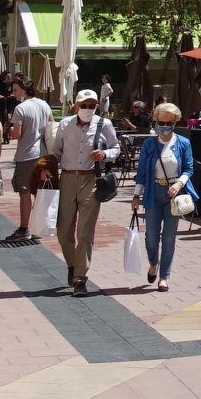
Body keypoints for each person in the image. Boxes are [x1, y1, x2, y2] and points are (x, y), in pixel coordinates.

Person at [53, 88, 124, 295]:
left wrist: (104, 154)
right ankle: (72, 265)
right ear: (76, 106)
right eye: (84, 105)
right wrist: (46, 169)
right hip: (67, 178)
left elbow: (116, 148)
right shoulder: (65, 124)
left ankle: (80, 278)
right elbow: (56, 151)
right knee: (63, 229)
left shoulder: (104, 124)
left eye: (91, 106)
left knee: (85, 231)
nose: (87, 109)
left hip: (91, 178)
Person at [133, 102, 196, 291]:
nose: (165, 126)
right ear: (156, 122)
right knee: (151, 237)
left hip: (174, 195)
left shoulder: (183, 143)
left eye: (169, 122)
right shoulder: (149, 144)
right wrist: (136, 195)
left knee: (169, 238)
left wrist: (179, 184)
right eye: (161, 122)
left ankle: (164, 276)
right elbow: (142, 171)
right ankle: (153, 263)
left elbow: (189, 168)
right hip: (153, 193)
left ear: (175, 122)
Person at [5, 77, 54, 242]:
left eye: (15, 90)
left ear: (24, 90)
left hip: (26, 155)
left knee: (24, 193)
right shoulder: (44, 105)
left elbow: (16, 134)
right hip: (43, 154)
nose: (13, 93)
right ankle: (39, 226)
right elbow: (51, 126)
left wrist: (10, 130)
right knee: (39, 192)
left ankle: (24, 228)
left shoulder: (21, 108)